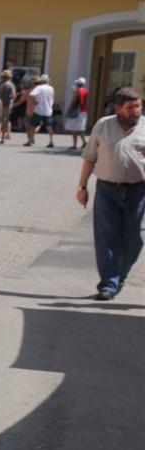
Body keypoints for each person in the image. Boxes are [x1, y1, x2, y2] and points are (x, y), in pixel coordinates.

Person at [75, 87, 144, 301]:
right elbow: (89, 157)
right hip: (107, 190)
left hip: (138, 191)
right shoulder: (103, 125)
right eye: (130, 107)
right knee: (107, 238)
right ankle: (108, 284)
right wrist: (82, 187)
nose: (136, 111)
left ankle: (119, 275)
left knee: (133, 239)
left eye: (138, 106)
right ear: (118, 109)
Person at [26, 74, 55, 148]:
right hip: (48, 110)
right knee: (49, 126)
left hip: (38, 110)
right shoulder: (51, 88)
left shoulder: (39, 87)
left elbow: (31, 95)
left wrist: (34, 102)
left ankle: (30, 140)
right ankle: (51, 141)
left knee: (33, 125)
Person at [65, 77, 89, 150]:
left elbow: (73, 101)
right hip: (83, 111)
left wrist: (68, 110)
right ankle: (84, 142)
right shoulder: (86, 90)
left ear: (78, 84)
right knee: (80, 128)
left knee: (74, 128)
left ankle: (74, 144)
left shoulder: (78, 91)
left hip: (76, 111)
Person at [0, 69, 16, 144]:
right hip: (7, 105)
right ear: (9, 77)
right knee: (5, 121)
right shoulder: (11, 85)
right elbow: (14, 96)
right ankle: (3, 137)